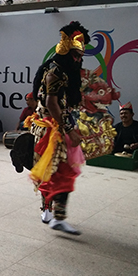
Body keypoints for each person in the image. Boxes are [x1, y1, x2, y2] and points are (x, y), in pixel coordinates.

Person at [28, 21, 89, 235]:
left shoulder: (66, 72)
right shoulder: (55, 72)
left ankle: (52, 213)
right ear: (65, 54)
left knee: (57, 170)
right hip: (52, 128)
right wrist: (67, 129)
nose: (79, 60)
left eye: (80, 56)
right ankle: (53, 214)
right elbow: (52, 103)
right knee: (59, 170)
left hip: (58, 124)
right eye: (75, 55)